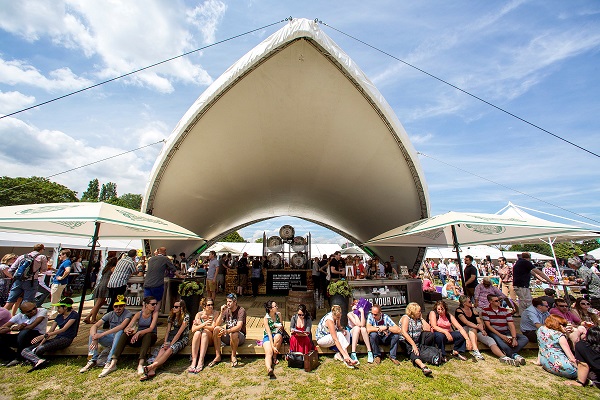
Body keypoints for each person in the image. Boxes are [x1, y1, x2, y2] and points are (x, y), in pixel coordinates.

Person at [21, 297, 79, 372]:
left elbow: (63, 329)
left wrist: (44, 336)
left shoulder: (74, 315)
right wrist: (41, 342)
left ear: (65, 307)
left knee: (41, 348)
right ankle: (38, 361)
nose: (57, 309)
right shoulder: (59, 316)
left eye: (59, 307)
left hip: (66, 339)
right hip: (57, 338)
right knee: (25, 350)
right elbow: (51, 331)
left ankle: (33, 360)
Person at [81, 295, 132, 377]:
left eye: (121, 306)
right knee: (93, 334)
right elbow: (95, 326)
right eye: (116, 306)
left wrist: (101, 335)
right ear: (113, 306)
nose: (118, 308)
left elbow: (121, 326)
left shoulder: (128, 314)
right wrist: (95, 337)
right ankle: (92, 360)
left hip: (121, 339)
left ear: (124, 306)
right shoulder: (110, 314)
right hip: (111, 338)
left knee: (119, 332)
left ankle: (109, 361)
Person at [108, 296, 159, 376]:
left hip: (149, 336)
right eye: (152, 304)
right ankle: (113, 361)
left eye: (156, 304)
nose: (155, 306)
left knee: (148, 335)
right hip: (138, 337)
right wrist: (128, 330)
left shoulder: (154, 314)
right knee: (124, 334)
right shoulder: (139, 314)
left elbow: (151, 328)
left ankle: (141, 363)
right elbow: (129, 326)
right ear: (146, 305)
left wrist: (138, 333)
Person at [141, 299, 189, 381]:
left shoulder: (186, 317)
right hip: (171, 336)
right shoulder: (171, 316)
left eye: (176, 307)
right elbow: (167, 330)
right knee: (163, 349)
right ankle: (152, 370)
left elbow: (179, 333)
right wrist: (165, 341)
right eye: (173, 306)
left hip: (182, 337)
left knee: (170, 349)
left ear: (181, 308)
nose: (174, 308)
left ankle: (151, 366)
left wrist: (171, 344)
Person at [481, 294, 529, 366]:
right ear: (490, 301)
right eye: (496, 301)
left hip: (505, 331)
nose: (499, 302)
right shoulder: (486, 311)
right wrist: (501, 336)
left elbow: (511, 325)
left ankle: (509, 353)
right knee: (501, 343)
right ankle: (514, 355)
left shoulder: (505, 311)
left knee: (524, 338)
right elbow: (488, 326)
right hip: (494, 331)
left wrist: (514, 338)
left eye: (499, 300)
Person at [0, 301, 47, 366]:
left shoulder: (42, 311)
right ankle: (11, 356)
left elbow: (31, 326)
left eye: (34, 308)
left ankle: (19, 358)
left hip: (37, 336)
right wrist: (13, 328)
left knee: (24, 332)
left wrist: (18, 328)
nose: (33, 311)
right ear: (23, 312)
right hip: (22, 338)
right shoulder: (19, 316)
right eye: (29, 311)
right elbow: (2, 329)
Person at [455, 295, 500, 361]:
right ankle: (475, 350)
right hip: (464, 330)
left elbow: (479, 321)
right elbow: (466, 322)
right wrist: (479, 328)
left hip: (476, 330)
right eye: (470, 302)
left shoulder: (473, 310)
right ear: (464, 303)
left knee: (489, 340)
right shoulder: (459, 311)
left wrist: (481, 329)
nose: (471, 303)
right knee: (472, 329)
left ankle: (502, 355)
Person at [5, 244, 48, 313]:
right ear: (42, 249)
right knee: (27, 302)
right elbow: (44, 269)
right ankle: (23, 319)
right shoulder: (42, 257)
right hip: (31, 281)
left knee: (10, 301)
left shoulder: (22, 256)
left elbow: (11, 269)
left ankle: (2, 316)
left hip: (18, 280)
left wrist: (15, 276)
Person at [209, 293, 246, 368]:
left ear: (235, 302)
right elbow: (217, 324)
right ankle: (218, 355)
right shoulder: (226, 310)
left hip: (239, 336)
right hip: (228, 335)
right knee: (216, 329)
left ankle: (233, 355)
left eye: (230, 301)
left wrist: (227, 331)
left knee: (234, 333)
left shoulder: (241, 310)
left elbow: (239, 327)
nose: (228, 303)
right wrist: (222, 312)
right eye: (227, 301)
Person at [537, 314, 577, 380]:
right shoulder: (559, 336)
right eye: (563, 325)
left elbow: (541, 347)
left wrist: (538, 361)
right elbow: (572, 358)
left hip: (546, 363)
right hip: (567, 369)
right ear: (556, 324)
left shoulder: (540, 330)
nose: (565, 327)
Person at [399, 302, 434, 376]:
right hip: (406, 340)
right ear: (413, 312)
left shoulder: (418, 319)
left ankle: (425, 351)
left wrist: (421, 318)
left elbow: (428, 329)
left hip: (417, 339)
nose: (420, 312)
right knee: (412, 349)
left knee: (429, 335)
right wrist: (413, 345)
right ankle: (423, 366)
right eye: (419, 311)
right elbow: (404, 332)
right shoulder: (406, 318)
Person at [144, 247, 184, 311]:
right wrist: (180, 276)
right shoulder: (165, 259)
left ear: (158, 251)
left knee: (146, 303)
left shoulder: (151, 259)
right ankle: (154, 318)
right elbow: (173, 269)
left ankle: (144, 319)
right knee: (157, 303)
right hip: (157, 284)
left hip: (147, 283)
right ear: (165, 251)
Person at [84, 256, 117, 324]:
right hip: (105, 285)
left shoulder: (106, 268)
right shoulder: (113, 268)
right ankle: (90, 317)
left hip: (101, 284)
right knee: (98, 303)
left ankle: (91, 317)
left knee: (101, 302)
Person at [189, 297, 218, 373]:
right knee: (197, 333)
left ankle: (201, 360)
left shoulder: (215, 313)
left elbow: (212, 328)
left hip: (210, 337)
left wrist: (201, 324)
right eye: (208, 305)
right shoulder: (198, 314)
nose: (211, 306)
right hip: (199, 337)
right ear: (204, 306)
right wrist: (203, 324)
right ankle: (194, 360)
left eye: (212, 304)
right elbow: (193, 329)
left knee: (204, 332)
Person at [347, 299, 373, 364]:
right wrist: (355, 313)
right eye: (355, 304)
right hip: (354, 335)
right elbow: (357, 324)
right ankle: (353, 353)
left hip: (361, 336)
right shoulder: (350, 314)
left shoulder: (363, 314)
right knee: (357, 328)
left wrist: (362, 313)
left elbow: (362, 324)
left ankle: (369, 351)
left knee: (363, 329)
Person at [262, 300, 283, 378]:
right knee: (268, 351)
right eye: (275, 306)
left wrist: (280, 327)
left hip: (277, 334)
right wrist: (272, 346)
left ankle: (274, 357)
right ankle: (269, 368)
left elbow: (282, 327)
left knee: (278, 337)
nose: (277, 307)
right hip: (268, 335)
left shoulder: (279, 315)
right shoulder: (266, 318)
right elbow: (269, 333)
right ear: (270, 309)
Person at [49, 249, 72, 319]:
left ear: (64, 255)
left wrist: (61, 277)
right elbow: (62, 271)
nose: (59, 256)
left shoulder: (67, 262)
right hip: (58, 282)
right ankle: (55, 313)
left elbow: (67, 271)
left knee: (55, 299)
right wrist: (53, 269)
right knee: (55, 298)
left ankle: (54, 315)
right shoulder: (65, 262)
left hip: (59, 283)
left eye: (60, 254)